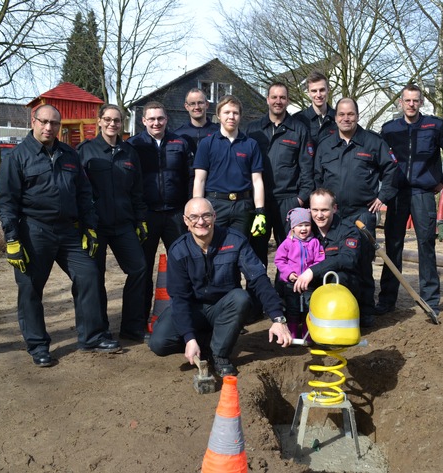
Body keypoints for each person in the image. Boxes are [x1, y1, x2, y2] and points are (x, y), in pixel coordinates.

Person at [0, 104, 120, 367]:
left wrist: (90, 227)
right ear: (34, 121)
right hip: (34, 229)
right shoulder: (17, 157)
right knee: (30, 287)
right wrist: (12, 238)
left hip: (68, 231)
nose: (49, 128)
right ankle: (38, 346)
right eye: (44, 122)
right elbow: (6, 202)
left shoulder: (69, 155)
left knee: (88, 275)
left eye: (54, 124)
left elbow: (84, 194)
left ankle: (92, 336)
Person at [147, 198, 292, 377]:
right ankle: (208, 342)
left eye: (206, 215)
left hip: (224, 309)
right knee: (159, 343)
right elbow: (180, 299)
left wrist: (278, 318)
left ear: (214, 216)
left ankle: (220, 355)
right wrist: (189, 339)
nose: (201, 222)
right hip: (194, 310)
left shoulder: (235, 241)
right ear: (186, 221)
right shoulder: (179, 250)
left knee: (241, 298)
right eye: (194, 217)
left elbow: (259, 279)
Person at [377, 84, 443, 316]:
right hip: (397, 193)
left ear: (421, 102)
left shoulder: (434, 126)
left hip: (423, 193)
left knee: (426, 244)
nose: (411, 104)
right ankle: (387, 299)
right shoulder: (389, 129)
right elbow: (379, 157)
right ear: (400, 103)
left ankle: (430, 300)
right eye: (407, 100)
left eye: (415, 100)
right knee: (393, 245)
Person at [314, 97, 397, 322]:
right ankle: (334, 307)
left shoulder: (373, 142)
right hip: (334, 215)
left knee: (362, 259)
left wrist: (382, 197)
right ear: (335, 117)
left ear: (357, 116)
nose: (345, 118)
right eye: (341, 114)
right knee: (332, 257)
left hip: (362, 212)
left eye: (350, 114)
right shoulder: (326, 145)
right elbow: (316, 177)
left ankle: (366, 309)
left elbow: (391, 169)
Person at [78, 104, 148, 342]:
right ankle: (100, 330)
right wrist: (84, 226)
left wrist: (141, 219)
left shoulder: (130, 153)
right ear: (99, 121)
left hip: (123, 225)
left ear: (122, 123)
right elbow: (78, 191)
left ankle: (132, 327)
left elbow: (137, 190)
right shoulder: (85, 152)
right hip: (96, 226)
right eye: (107, 119)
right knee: (95, 276)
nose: (112, 124)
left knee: (139, 268)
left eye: (117, 120)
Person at [127, 102, 193, 335]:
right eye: (151, 119)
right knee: (141, 268)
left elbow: (190, 178)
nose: (156, 123)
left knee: (184, 265)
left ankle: (187, 318)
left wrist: (188, 208)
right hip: (146, 215)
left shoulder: (180, 143)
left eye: (160, 118)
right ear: (143, 121)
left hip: (175, 214)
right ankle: (136, 323)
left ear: (167, 120)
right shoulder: (133, 146)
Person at [245, 82, 314, 266]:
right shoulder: (253, 130)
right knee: (256, 252)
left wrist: (300, 199)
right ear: (267, 99)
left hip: (288, 202)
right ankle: (258, 293)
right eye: (274, 97)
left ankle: (287, 294)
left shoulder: (299, 130)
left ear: (288, 100)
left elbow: (307, 168)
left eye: (282, 97)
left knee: (291, 253)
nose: (278, 101)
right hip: (259, 203)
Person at [193, 95, 267, 239]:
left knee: (238, 250)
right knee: (213, 248)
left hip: (243, 207)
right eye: (226, 112)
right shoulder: (207, 144)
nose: (231, 116)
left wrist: (260, 211)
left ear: (240, 116)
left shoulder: (251, 144)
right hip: (215, 205)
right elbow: (199, 180)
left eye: (235, 113)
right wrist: (198, 211)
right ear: (218, 116)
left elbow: (257, 181)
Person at [293, 189, 363, 322]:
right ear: (309, 209)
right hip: (312, 283)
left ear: (334, 208)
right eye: (315, 210)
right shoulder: (304, 229)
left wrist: (312, 271)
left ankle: (338, 323)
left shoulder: (348, 230)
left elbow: (347, 259)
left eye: (324, 210)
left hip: (341, 287)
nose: (319, 215)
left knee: (337, 277)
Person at [274, 207, 325, 338]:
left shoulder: (315, 242)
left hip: (309, 284)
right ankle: (292, 333)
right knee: (293, 308)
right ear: (292, 228)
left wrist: (311, 272)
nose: (303, 229)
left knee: (309, 308)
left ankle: (308, 333)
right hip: (292, 284)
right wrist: (289, 273)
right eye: (299, 225)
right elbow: (279, 260)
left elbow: (320, 260)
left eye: (307, 225)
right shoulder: (287, 243)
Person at [294, 71, 336, 147]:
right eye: (314, 91)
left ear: (328, 90)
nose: (318, 95)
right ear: (308, 92)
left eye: (322, 90)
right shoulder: (298, 120)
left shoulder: (338, 118)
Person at [173, 88, 220, 154]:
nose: (197, 107)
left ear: (207, 104)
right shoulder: (177, 135)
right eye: (192, 103)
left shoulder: (219, 132)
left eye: (200, 103)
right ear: (186, 107)